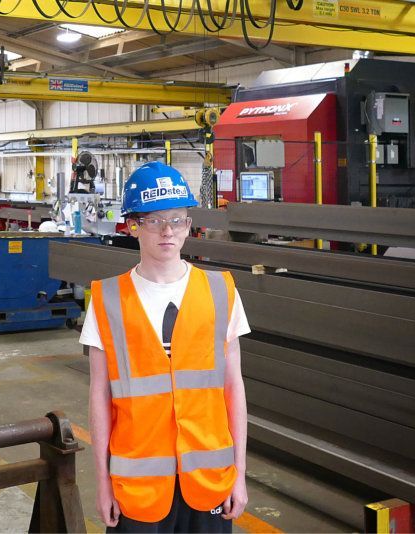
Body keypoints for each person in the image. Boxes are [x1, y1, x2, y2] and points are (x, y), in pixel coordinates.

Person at [80, 161, 250, 533]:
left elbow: (233, 387)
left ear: (188, 225)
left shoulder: (220, 291)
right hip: (137, 487)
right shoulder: (107, 299)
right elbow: (99, 396)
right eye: (154, 221)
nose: (168, 231)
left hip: (209, 480)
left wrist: (239, 474)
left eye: (177, 220)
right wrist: (102, 483)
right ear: (132, 226)